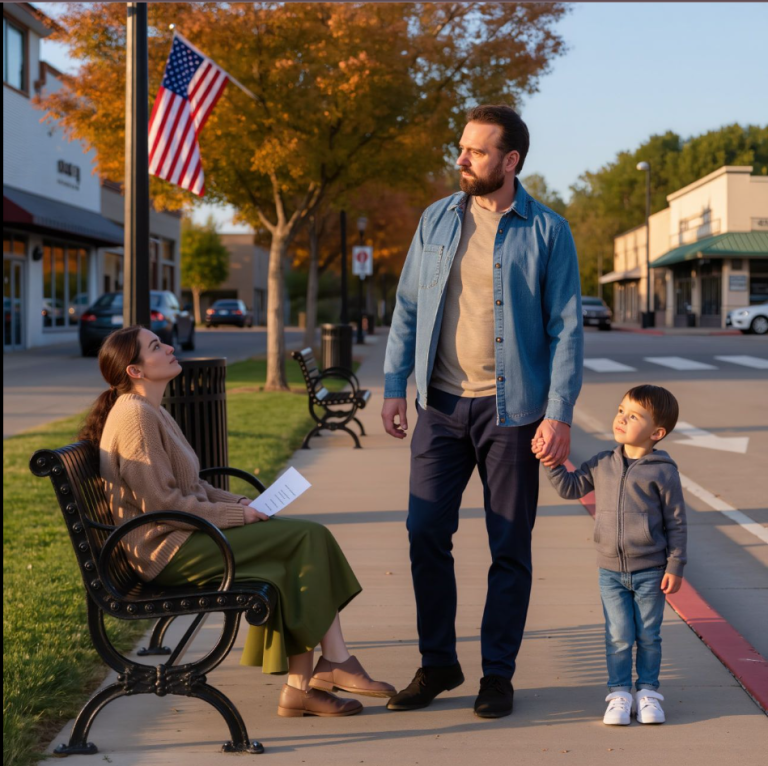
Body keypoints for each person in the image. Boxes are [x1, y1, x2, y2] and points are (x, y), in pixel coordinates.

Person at [79, 325, 395, 718]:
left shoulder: (152, 410)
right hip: (169, 551)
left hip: (182, 537)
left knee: (289, 561)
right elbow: (162, 502)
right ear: (135, 371)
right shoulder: (135, 418)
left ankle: (301, 687)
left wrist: (241, 502)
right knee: (309, 536)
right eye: (156, 347)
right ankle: (336, 662)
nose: (171, 348)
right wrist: (236, 515)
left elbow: (193, 485)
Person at [382, 104, 583, 718]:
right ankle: (438, 662)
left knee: (509, 546)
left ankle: (497, 673)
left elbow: (566, 329)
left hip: (513, 414)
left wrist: (558, 412)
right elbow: (408, 307)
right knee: (424, 534)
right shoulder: (436, 220)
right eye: (461, 147)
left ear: (510, 160)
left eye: (475, 150)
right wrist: (394, 385)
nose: (461, 158)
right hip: (440, 407)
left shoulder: (548, 231)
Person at [534, 384, 686, 725]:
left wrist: (676, 565)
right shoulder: (603, 462)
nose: (622, 418)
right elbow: (570, 487)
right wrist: (551, 462)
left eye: (634, 416)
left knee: (649, 634)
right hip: (610, 571)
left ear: (657, 432)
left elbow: (677, 522)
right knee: (618, 634)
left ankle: (647, 693)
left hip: (651, 569)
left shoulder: (663, 471)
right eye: (621, 411)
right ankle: (618, 693)